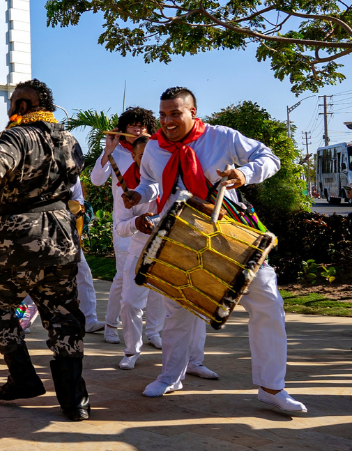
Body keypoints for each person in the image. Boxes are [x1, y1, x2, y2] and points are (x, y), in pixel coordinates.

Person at [124, 86, 306, 414]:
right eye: (163, 115)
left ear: (193, 112)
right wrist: (139, 195)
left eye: (175, 113)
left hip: (229, 232)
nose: (167, 121)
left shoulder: (222, 137)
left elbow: (269, 158)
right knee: (177, 309)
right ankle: (171, 376)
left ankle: (271, 387)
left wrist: (244, 173)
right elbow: (153, 181)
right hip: (178, 235)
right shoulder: (154, 148)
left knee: (267, 301)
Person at [0, 79, 91, 421]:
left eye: (13, 103)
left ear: (24, 106)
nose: (10, 109)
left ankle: (23, 377)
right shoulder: (70, 140)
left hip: (19, 235)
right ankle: (75, 401)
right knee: (64, 314)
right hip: (61, 232)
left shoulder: (17, 135)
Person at [89, 107, 165, 346]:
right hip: (125, 222)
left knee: (155, 279)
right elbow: (96, 180)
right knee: (123, 278)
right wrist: (108, 150)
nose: (137, 129)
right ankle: (111, 325)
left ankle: (153, 331)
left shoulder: (157, 151)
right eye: (132, 125)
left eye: (142, 125)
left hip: (155, 222)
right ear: (122, 129)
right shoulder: (118, 154)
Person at [70, 178, 104, 334]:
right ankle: (23, 322)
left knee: (83, 273)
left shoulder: (72, 172)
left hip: (68, 233)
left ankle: (89, 320)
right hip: (40, 230)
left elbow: (79, 200)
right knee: (34, 275)